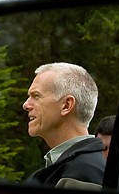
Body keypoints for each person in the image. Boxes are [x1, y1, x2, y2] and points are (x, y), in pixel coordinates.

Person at [22, 62, 106, 190]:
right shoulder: (74, 167)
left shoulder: (82, 173)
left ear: (66, 105)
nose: (26, 105)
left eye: (36, 96)